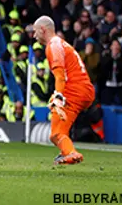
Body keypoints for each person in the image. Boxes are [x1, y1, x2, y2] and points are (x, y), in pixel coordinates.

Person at [33, 15, 95, 165]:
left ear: (43, 29)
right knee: (58, 132)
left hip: (73, 91)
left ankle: (71, 153)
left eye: (35, 31)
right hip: (83, 90)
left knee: (56, 134)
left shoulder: (53, 45)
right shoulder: (62, 44)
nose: (34, 36)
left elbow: (60, 75)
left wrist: (58, 96)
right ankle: (65, 152)